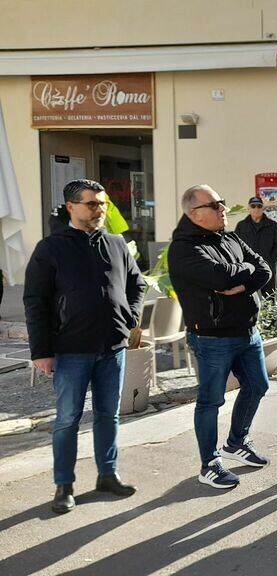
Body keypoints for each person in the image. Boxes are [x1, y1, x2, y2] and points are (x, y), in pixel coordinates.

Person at [25, 179, 146, 513]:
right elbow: (35, 301)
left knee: (108, 415)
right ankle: (64, 485)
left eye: (103, 204)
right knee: (68, 419)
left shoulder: (116, 243)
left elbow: (136, 283)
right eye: (92, 204)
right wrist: (41, 351)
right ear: (71, 207)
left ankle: (107, 475)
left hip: (112, 348)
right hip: (71, 350)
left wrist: (130, 317)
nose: (99, 210)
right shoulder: (50, 248)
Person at [169, 184, 273, 489]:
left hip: (248, 331)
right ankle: (210, 464)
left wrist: (243, 280)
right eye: (215, 205)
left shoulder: (230, 237)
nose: (223, 209)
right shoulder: (184, 248)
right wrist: (245, 269)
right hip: (212, 338)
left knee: (258, 385)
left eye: (222, 203)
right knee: (211, 400)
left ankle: (236, 442)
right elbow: (220, 276)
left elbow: (264, 269)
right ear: (194, 213)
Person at [234, 195, 277, 296]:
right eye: (253, 206)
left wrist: (271, 260)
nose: (256, 209)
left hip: (267, 267)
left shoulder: (273, 226)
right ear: (249, 208)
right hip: (247, 267)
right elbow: (236, 245)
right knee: (247, 297)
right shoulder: (241, 226)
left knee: (269, 297)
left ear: (263, 208)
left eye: (259, 206)